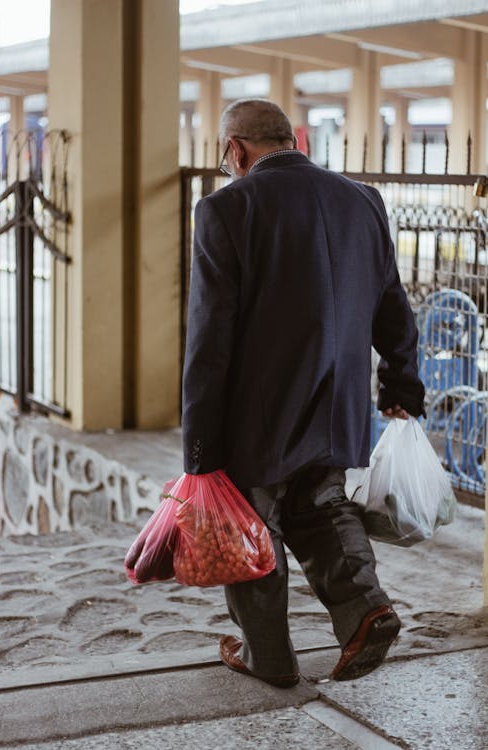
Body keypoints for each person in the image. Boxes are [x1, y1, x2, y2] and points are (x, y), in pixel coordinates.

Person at [182, 98, 425, 688]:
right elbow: (393, 304)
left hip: (257, 413)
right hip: (338, 401)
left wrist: (199, 449)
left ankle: (268, 656)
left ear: (235, 150)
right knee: (320, 504)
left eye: (225, 156)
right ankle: (366, 611)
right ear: (291, 140)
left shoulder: (224, 209)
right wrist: (401, 383)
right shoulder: (361, 199)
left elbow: (210, 338)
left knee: (250, 522)